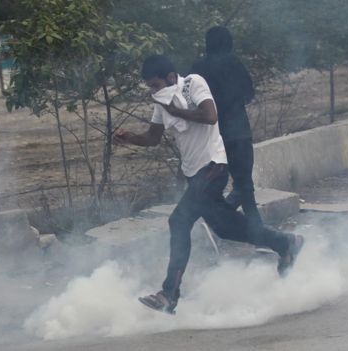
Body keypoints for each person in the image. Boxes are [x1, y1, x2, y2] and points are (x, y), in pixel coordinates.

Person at [114, 55, 304, 314]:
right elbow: (153, 138)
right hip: (195, 174)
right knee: (225, 228)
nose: (153, 91)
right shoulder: (162, 102)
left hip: (214, 166)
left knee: (178, 221)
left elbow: (211, 116)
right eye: (150, 87)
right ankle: (285, 243)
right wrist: (129, 138)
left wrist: (176, 110)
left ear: (171, 77)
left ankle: (169, 294)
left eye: (155, 85)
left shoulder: (193, 84)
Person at [190, 26, 263, 229]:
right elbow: (249, 94)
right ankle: (259, 235)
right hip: (239, 132)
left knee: (212, 188)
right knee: (244, 187)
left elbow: (189, 101)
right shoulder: (234, 63)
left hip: (212, 137)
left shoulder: (198, 69)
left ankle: (223, 224)